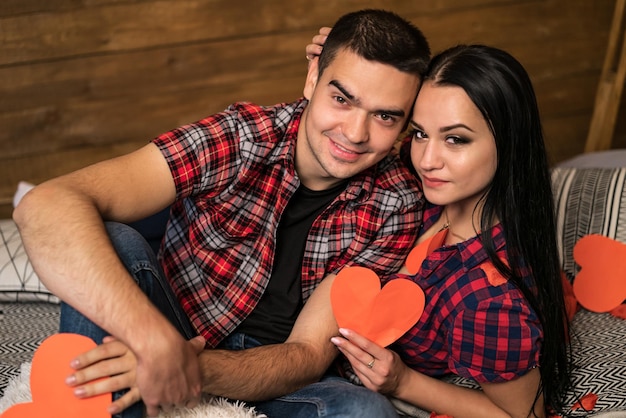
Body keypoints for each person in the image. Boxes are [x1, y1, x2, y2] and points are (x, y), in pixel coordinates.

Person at [13, 9, 431, 418]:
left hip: (278, 374)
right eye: (341, 99)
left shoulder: (396, 202)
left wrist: (191, 367)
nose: (356, 134)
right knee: (113, 239)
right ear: (311, 78)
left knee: (364, 410)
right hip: (176, 324)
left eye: (384, 116)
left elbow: (305, 354)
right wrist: (155, 341)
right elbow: (46, 204)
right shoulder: (240, 137)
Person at [307, 37, 574, 417]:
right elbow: (356, 128)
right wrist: (341, 62)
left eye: (455, 139)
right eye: (419, 133)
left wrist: (403, 382)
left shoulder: (487, 302)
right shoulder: (430, 190)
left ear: (508, 143)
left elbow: (522, 417)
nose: (427, 160)